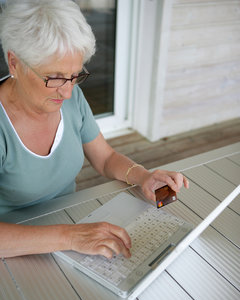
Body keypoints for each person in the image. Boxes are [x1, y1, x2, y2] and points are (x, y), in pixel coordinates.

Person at [0, 0, 189, 259]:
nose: (67, 92)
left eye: (75, 75)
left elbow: (106, 158)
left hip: (73, 228)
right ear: (14, 63)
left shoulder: (70, 97)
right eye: (54, 77)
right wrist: (69, 237)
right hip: (16, 248)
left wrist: (144, 176)